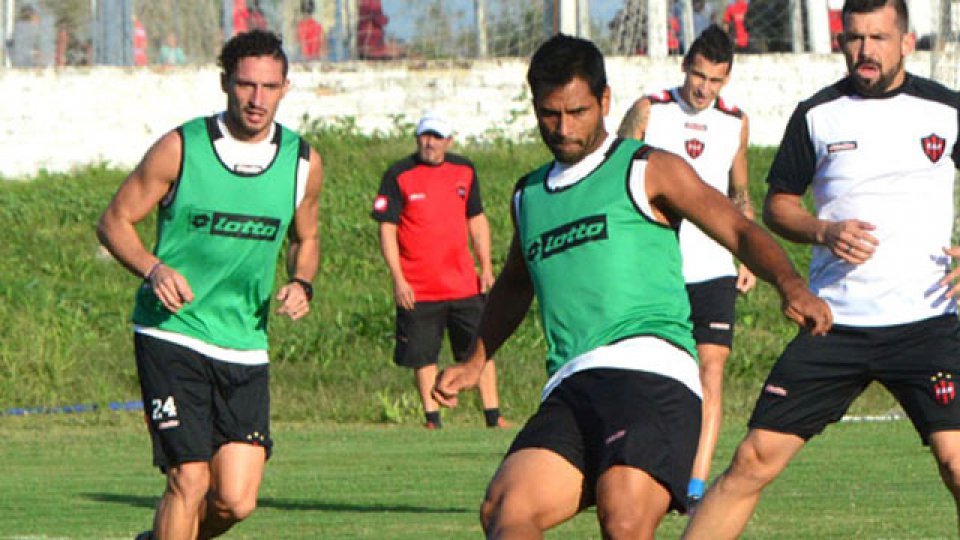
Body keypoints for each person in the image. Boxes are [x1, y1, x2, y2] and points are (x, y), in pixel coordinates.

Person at [432, 33, 831, 539]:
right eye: (549, 114)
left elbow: (738, 228)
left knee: (623, 516)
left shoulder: (645, 168)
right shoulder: (529, 194)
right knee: (505, 511)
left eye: (576, 111)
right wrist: (474, 360)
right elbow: (514, 285)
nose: (563, 128)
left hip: (651, 376)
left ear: (604, 101)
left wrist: (790, 283)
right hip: (572, 386)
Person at [682, 1, 960, 537]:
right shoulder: (816, 115)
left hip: (927, 324)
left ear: (907, 42)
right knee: (753, 460)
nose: (865, 51)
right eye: (854, 38)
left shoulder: (947, 110)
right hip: (834, 321)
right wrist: (822, 230)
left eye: (879, 38)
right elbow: (777, 204)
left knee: (957, 463)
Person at [96, 30, 323, 540]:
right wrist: (154, 269)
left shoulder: (302, 163)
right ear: (226, 83)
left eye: (268, 86)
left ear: (285, 87)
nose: (256, 98)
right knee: (190, 478)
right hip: (172, 333)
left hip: (244, 344)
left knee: (236, 500)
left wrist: (302, 282)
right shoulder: (182, 147)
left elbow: (305, 237)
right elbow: (114, 222)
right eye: (245, 85)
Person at [617, 23, 756, 508]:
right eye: (698, 75)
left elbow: (739, 194)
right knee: (647, 371)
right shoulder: (650, 109)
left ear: (727, 80)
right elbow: (614, 177)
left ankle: (693, 487)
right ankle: (640, 471)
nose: (704, 88)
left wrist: (747, 255)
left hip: (713, 266)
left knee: (710, 373)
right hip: (656, 269)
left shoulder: (735, 122)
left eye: (715, 80)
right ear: (685, 66)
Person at [371, 112, 507, 430]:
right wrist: (398, 279)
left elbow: (476, 220)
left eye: (436, 137)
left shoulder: (464, 170)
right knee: (423, 354)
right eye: (424, 136)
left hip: (463, 284)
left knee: (480, 350)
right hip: (419, 286)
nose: (429, 143)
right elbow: (387, 229)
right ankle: (433, 418)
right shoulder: (398, 174)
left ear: (449, 141)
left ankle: (492, 416)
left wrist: (486, 266)